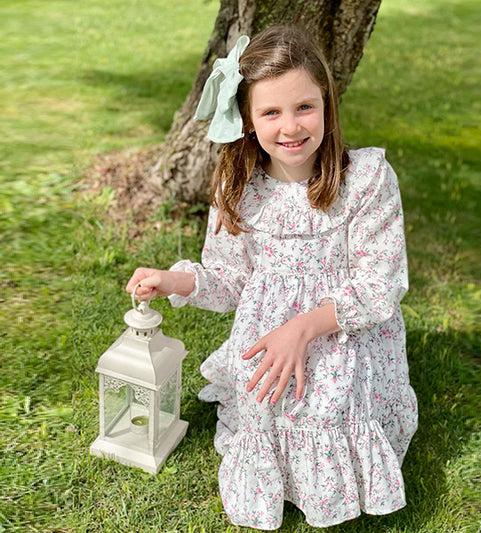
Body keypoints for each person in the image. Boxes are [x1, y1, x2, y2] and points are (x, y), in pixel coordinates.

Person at [126, 25, 418, 530]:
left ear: (326, 103)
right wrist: (175, 282)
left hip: (339, 325)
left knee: (326, 400)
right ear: (247, 118)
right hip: (268, 332)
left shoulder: (366, 179)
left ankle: (334, 472)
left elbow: (379, 287)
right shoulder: (237, 186)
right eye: (271, 112)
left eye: (305, 107)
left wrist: (300, 330)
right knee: (264, 396)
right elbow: (231, 278)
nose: (291, 127)